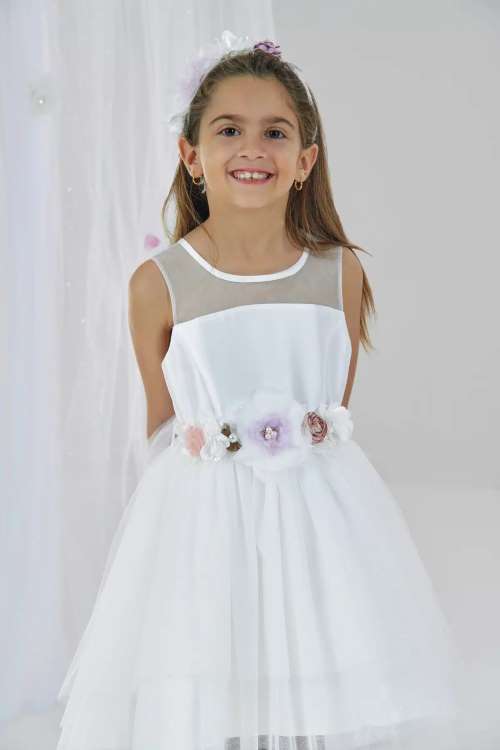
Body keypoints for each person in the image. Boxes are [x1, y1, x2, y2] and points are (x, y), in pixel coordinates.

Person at [56, 31, 464, 750]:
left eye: (275, 132)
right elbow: (163, 426)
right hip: (203, 526)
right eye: (228, 130)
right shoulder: (158, 284)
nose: (253, 148)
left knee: (310, 686)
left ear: (305, 160)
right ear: (191, 155)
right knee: (219, 693)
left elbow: (334, 409)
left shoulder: (339, 272)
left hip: (318, 523)